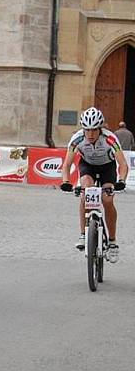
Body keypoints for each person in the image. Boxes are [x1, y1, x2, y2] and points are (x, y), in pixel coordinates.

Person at [60, 107, 128, 260]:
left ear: (100, 128)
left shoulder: (110, 138)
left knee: (107, 200)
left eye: (94, 130)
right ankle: (84, 235)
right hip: (88, 166)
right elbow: (66, 165)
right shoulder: (77, 139)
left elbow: (123, 164)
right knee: (85, 193)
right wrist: (65, 181)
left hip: (107, 167)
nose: (90, 134)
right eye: (87, 130)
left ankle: (112, 242)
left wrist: (121, 181)